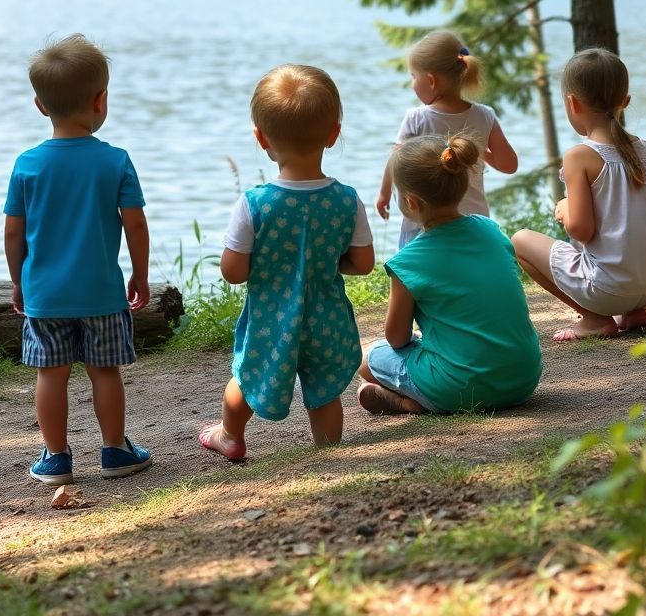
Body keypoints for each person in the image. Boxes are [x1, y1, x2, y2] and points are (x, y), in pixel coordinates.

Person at [199, 64, 376, 461]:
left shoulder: (255, 204)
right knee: (324, 390)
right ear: (334, 133)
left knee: (248, 378)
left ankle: (230, 435)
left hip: (270, 319)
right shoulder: (346, 200)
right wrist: (322, 263)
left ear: (261, 138)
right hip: (327, 317)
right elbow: (364, 263)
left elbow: (233, 271)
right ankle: (328, 450)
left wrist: (269, 267)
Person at [4, 34, 153, 485]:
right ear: (100, 100)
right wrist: (140, 275)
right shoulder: (115, 161)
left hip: (46, 296)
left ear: (40, 105)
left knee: (51, 375)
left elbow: (13, 232)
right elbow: (135, 225)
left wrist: (18, 281)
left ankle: (55, 458)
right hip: (101, 293)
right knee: (104, 371)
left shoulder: (28, 165)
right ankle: (115, 451)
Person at [511, 48, 646, 343]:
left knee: (520, 241)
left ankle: (594, 319)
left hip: (608, 290)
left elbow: (581, 230)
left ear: (572, 103)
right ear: (625, 101)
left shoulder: (579, 156)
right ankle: (635, 312)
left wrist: (565, 207)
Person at [359, 135, 541, 415]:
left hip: (458, 388)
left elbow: (396, 339)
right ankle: (423, 395)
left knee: (367, 360)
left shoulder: (407, 262)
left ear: (411, 202)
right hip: (522, 379)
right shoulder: (491, 230)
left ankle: (411, 402)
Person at [377, 29, 518, 248]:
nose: (412, 83)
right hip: (474, 222)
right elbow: (509, 165)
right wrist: (480, 151)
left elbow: (396, 159)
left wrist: (384, 193)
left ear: (431, 80)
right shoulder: (484, 116)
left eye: (413, 76)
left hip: (424, 223)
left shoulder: (417, 118)